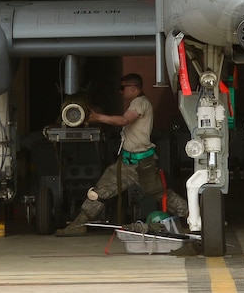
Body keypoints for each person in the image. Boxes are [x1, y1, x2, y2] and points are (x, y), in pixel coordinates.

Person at [56, 73, 188, 235]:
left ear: (133, 88)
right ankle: (78, 225)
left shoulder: (140, 103)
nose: (120, 92)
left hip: (142, 164)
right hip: (127, 163)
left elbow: (123, 121)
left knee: (161, 194)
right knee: (98, 193)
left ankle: (191, 216)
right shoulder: (136, 102)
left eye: (122, 88)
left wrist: (98, 117)